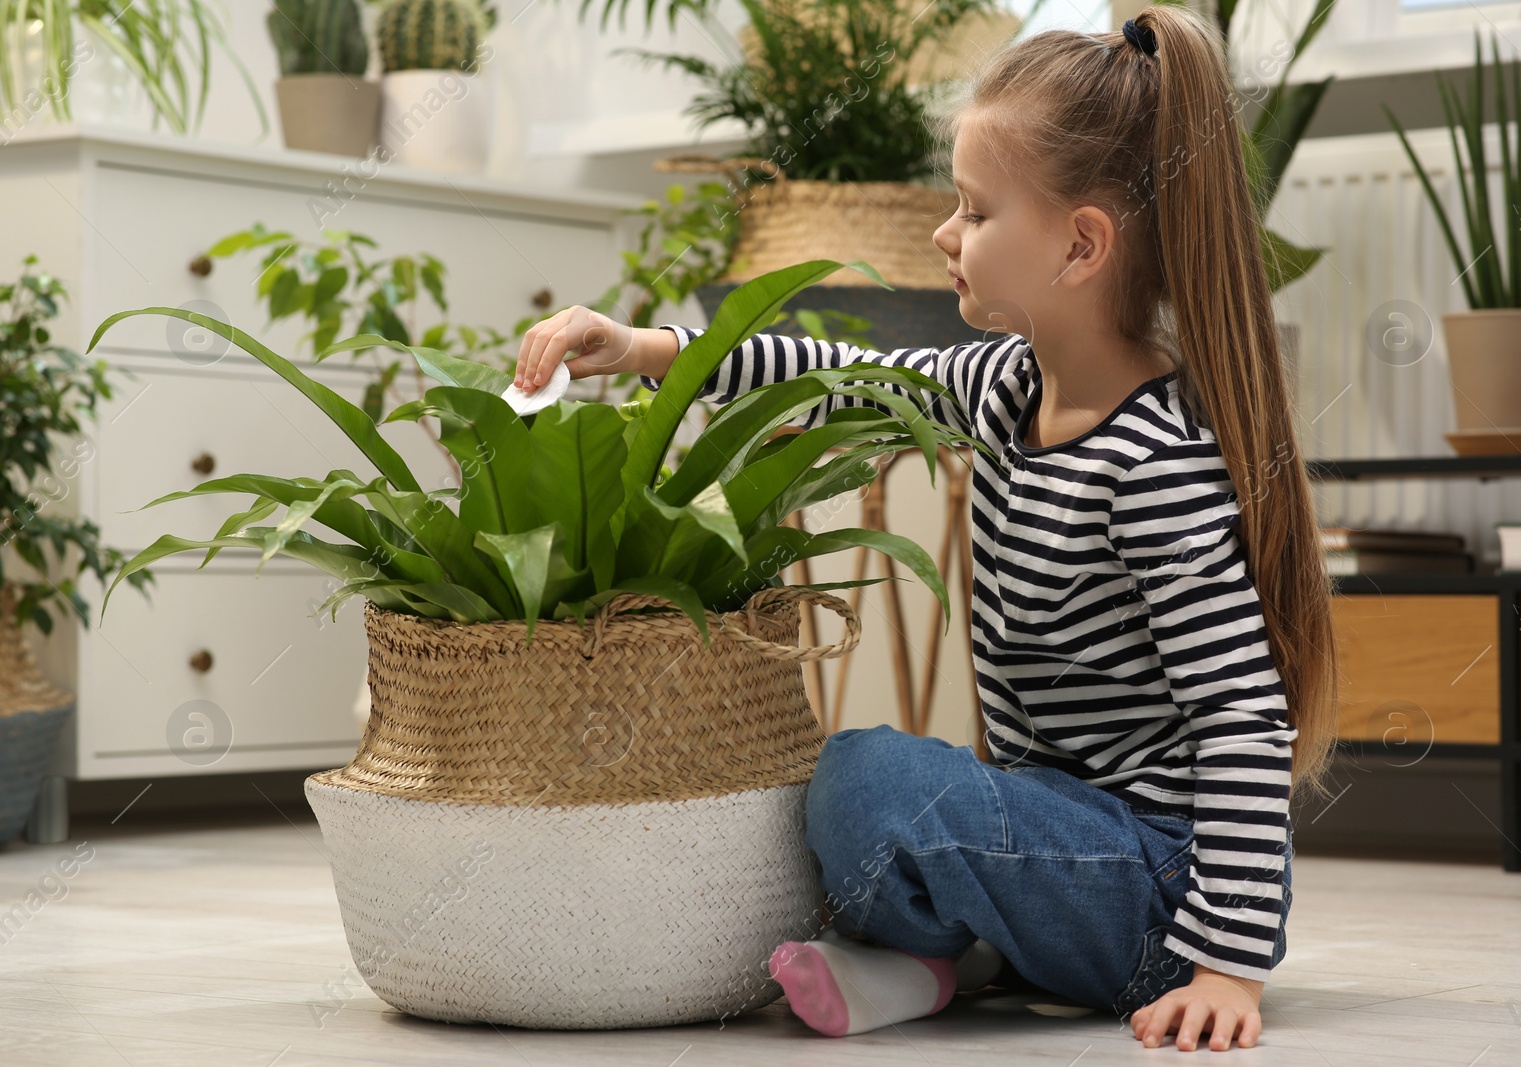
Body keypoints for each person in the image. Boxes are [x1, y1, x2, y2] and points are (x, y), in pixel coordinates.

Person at [510, 5, 1338, 1053]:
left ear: (1081, 245)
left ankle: (975, 949)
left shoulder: (1153, 464)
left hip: (1160, 898)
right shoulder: (1006, 383)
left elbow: (1242, 723)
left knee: (867, 781)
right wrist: (641, 346)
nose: (946, 235)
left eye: (975, 211)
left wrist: (1226, 969)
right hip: (1069, 836)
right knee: (847, 794)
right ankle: (944, 965)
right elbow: (841, 379)